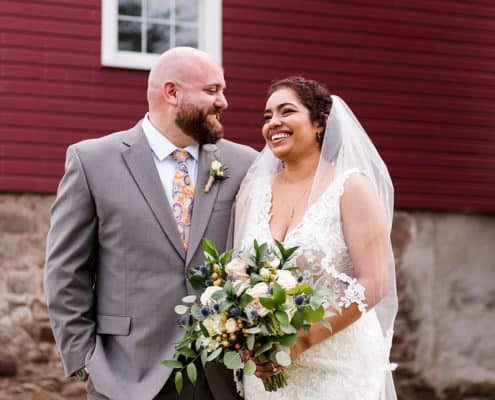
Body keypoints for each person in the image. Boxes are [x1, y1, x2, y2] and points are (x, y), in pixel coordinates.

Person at [44, 47, 257, 400]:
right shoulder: (91, 161)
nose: (224, 102)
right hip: (126, 375)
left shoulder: (244, 164)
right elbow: (65, 272)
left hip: (221, 377)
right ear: (171, 93)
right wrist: (85, 359)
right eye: (212, 91)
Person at [234, 77, 398, 399]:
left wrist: (301, 341)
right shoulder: (252, 194)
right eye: (267, 117)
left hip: (338, 366)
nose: (273, 123)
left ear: (320, 123)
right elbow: (239, 274)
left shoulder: (351, 188)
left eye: (286, 111)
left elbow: (374, 283)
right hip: (267, 370)